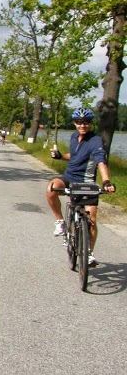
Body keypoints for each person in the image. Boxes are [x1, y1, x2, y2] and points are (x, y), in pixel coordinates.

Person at [47, 107, 116, 266]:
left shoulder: (95, 141)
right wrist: (60, 156)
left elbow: (100, 161)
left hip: (86, 182)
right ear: (74, 123)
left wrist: (106, 181)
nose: (82, 125)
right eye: (79, 122)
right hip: (69, 177)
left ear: (90, 123)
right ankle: (61, 222)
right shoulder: (73, 137)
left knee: (91, 219)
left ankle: (89, 253)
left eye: (85, 122)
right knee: (51, 188)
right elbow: (74, 155)